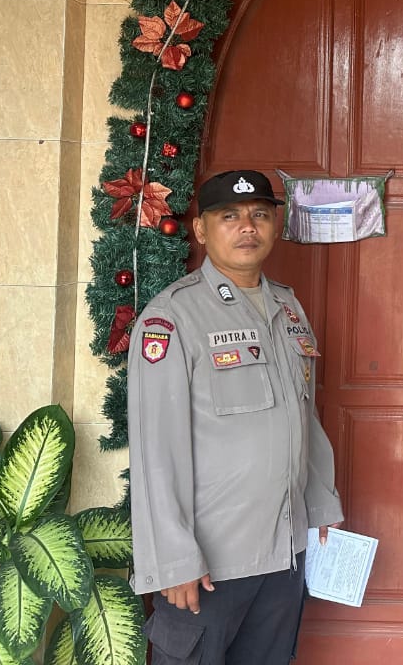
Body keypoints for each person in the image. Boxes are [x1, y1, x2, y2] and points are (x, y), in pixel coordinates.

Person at [128, 169, 344, 665]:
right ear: (202, 230)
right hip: (208, 564)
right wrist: (173, 558)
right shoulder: (173, 318)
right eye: (229, 216)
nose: (248, 227)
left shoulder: (287, 309)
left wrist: (322, 505)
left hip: (283, 551)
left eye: (259, 215)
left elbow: (303, 420)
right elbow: (154, 450)